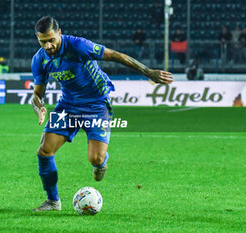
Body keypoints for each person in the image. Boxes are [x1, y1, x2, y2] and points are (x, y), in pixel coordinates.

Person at [31, 16, 173, 212]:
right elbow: (37, 95)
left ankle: (102, 162)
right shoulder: (39, 59)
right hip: (68, 105)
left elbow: (115, 55)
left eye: (51, 40)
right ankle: (53, 201)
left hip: (96, 104)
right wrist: (40, 107)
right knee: (44, 151)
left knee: (95, 159)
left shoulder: (79, 46)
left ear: (59, 33)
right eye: (43, 42)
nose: (48, 46)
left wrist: (148, 71)